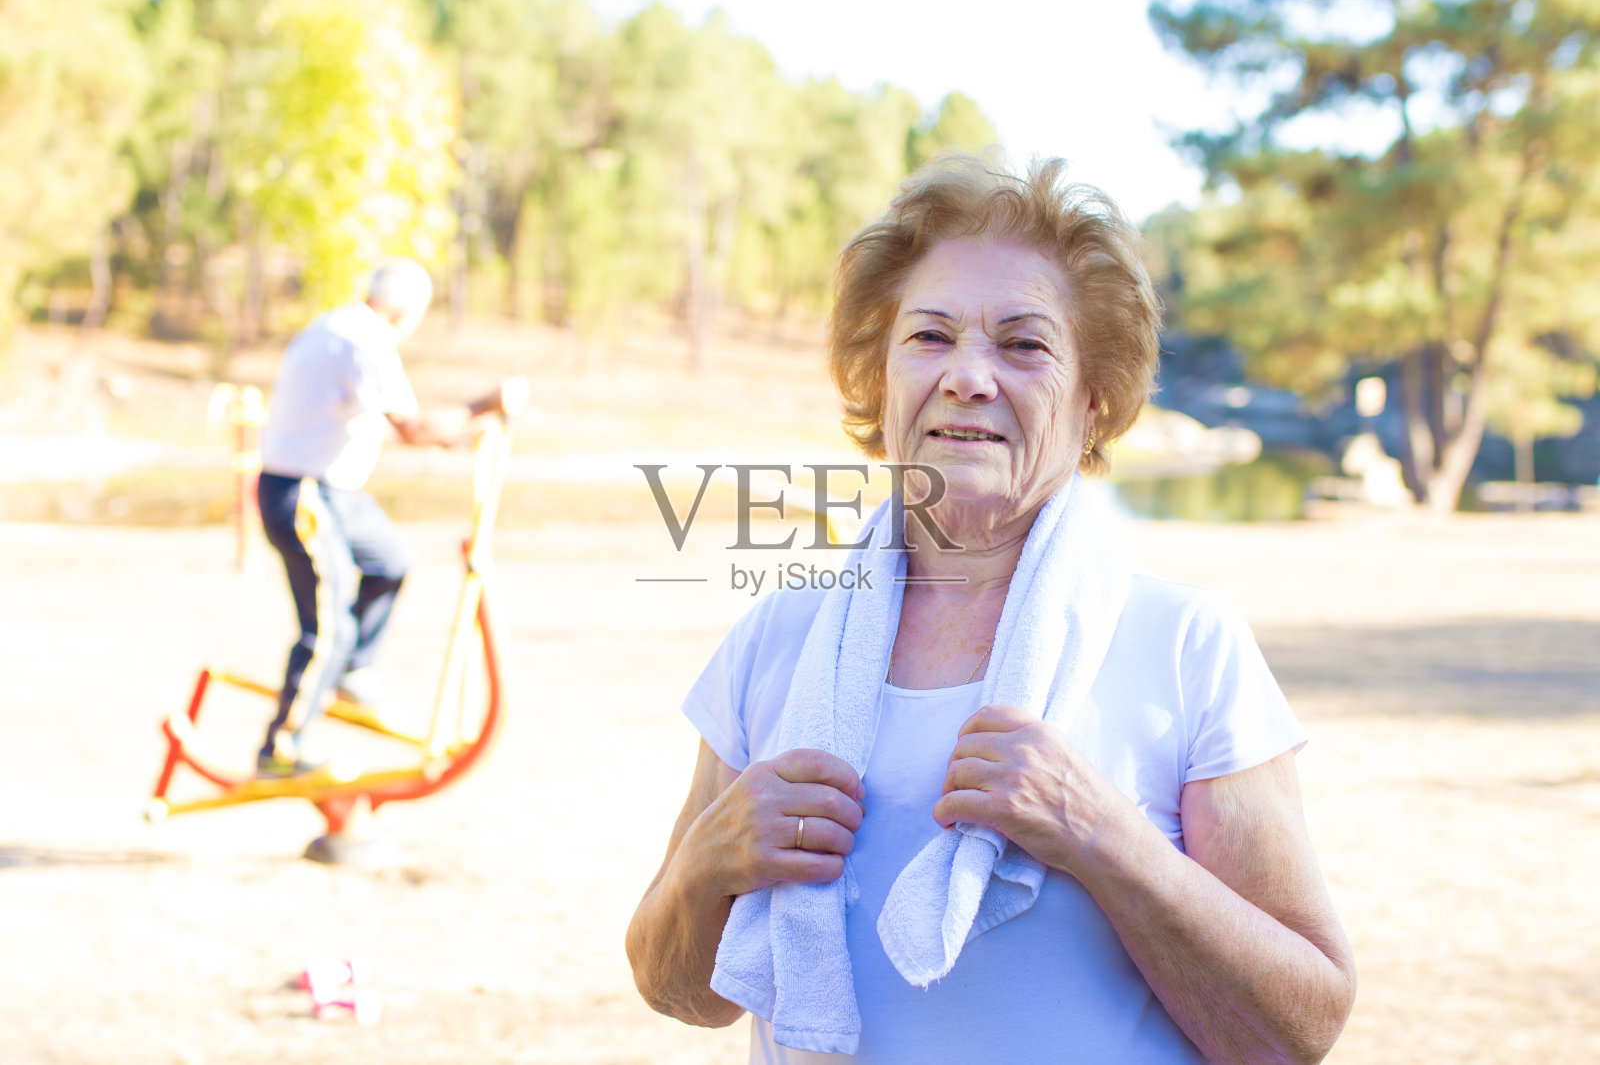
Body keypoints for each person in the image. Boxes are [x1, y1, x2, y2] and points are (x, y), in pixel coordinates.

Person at [626, 156, 1356, 1064]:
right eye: (930, 336)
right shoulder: (777, 638)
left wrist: (1102, 835)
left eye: (1023, 345)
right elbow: (678, 989)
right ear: (881, 378)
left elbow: (1296, 1031)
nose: (969, 375)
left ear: (1093, 399)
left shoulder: (1185, 646)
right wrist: (707, 866)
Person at [254, 257, 523, 778]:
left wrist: (460, 434)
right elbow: (414, 429)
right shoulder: (363, 339)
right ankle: (280, 747)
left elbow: (384, 426)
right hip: (304, 492)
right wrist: (486, 404)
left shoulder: (337, 329)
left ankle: (351, 670)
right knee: (326, 627)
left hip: (330, 490)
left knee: (391, 559)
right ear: (407, 311)